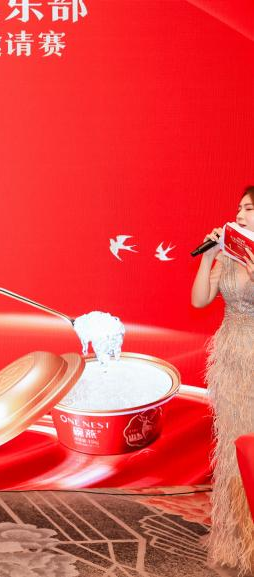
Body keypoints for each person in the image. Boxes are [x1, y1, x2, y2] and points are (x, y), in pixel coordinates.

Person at [191, 186, 254, 573]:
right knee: (234, 450)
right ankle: (238, 540)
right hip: (230, 357)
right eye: (239, 208)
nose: (240, 214)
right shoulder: (228, 253)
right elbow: (199, 300)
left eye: (249, 208)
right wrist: (209, 257)